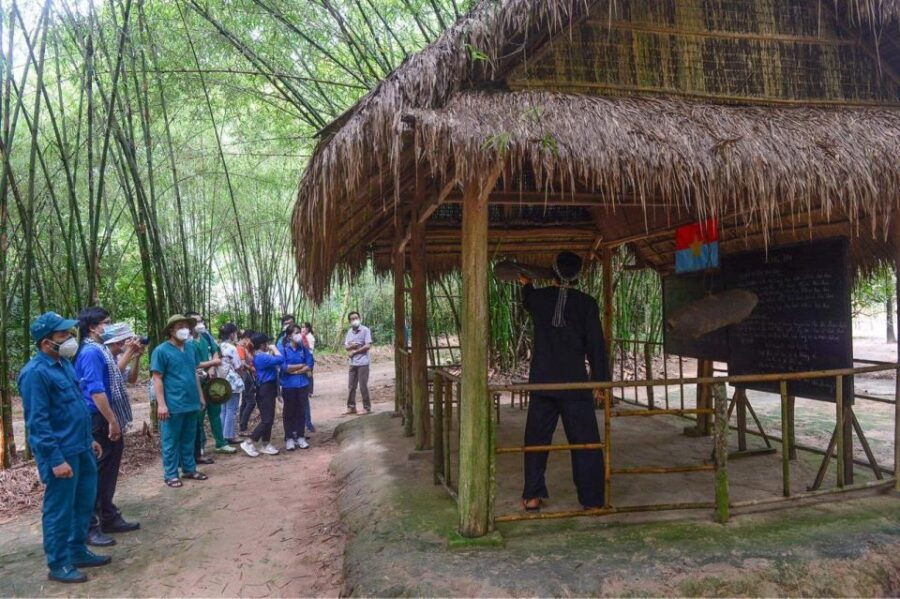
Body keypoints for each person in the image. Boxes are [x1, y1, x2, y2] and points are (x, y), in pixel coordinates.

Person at [19, 312, 109, 583]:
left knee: (83, 504)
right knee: (59, 509)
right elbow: (38, 423)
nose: (70, 338)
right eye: (63, 335)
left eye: (69, 333)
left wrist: (89, 439)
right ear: (47, 342)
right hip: (61, 454)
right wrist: (55, 460)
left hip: (81, 448)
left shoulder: (65, 365)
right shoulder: (35, 374)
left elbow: (77, 406)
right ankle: (58, 563)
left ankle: (77, 550)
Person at [517, 251, 610, 512]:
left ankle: (532, 497)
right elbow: (596, 347)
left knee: (536, 439)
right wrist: (600, 383)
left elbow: (528, 297)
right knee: (586, 442)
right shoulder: (587, 304)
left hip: (543, 383)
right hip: (575, 384)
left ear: (554, 273)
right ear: (579, 276)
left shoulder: (539, 300)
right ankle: (592, 500)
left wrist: (527, 283)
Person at [75, 314, 144, 548]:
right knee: (97, 473)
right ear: (93, 327)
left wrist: (133, 356)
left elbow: (118, 376)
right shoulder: (91, 352)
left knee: (108, 471)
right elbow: (96, 391)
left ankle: (108, 516)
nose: (109, 326)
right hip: (99, 418)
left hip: (108, 416)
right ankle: (91, 527)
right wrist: (112, 421)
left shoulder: (100, 351)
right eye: (106, 321)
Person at [150, 314, 209, 488]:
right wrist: (161, 404)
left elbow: (193, 372)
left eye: (186, 326)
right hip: (173, 404)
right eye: (180, 326)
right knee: (170, 440)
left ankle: (189, 469)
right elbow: (157, 378)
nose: (185, 329)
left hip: (191, 401)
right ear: (171, 330)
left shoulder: (191, 348)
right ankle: (170, 474)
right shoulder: (161, 351)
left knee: (189, 438)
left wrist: (200, 396)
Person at [185, 311, 233, 457]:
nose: (200, 324)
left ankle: (221, 443)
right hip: (195, 382)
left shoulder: (206, 336)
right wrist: (213, 363)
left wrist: (212, 367)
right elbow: (191, 363)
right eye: (196, 321)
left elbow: (216, 351)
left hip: (211, 380)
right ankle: (200, 446)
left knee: (215, 412)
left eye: (201, 320)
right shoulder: (186, 341)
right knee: (199, 414)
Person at [240, 333, 282, 457]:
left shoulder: (262, 356)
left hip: (269, 388)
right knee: (267, 420)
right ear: (262, 345)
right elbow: (280, 359)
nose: (268, 345)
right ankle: (249, 442)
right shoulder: (261, 357)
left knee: (268, 418)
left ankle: (266, 443)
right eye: (266, 343)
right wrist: (275, 349)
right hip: (265, 389)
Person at [280, 324, 315, 450]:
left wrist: (297, 370)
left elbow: (310, 363)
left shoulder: (303, 347)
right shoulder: (283, 348)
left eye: (300, 332)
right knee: (289, 411)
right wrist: (300, 365)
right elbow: (284, 367)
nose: (299, 335)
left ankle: (301, 436)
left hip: (302, 383)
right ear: (289, 336)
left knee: (301, 410)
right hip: (288, 385)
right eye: (296, 332)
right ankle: (289, 437)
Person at [217, 323, 244, 444]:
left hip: (220, 380)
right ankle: (229, 435)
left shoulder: (217, 346)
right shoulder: (232, 348)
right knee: (231, 410)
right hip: (232, 381)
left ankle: (222, 435)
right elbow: (238, 366)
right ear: (232, 334)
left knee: (223, 409)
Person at [343, 311, 372, 415]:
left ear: (359, 318)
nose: (354, 320)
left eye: (356, 318)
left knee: (363, 386)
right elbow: (346, 347)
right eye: (352, 319)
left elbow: (368, 346)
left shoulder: (365, 330)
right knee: (351, 386)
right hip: (352, 363)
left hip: (363, 362)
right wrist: (352, 346)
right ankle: (351, 407)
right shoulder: (349, 332)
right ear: (349, 321)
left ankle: (367, 408)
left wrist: (355, 351)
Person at [237, 329, 257, 436]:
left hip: (247, 376)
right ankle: (243, 427)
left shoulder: (245, 347)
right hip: (245, 376)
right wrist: (252, 369)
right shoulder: (240, 348)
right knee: (251, 402)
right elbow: (243, 363)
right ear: (246, 338)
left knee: (245, 402)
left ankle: (242, 427)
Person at [300, 322, 316, 433]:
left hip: (306, 365)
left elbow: (309, 352)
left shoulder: (308, 338)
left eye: (303, 327)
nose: (302, 329)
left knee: (309, 378)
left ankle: (307, 423)